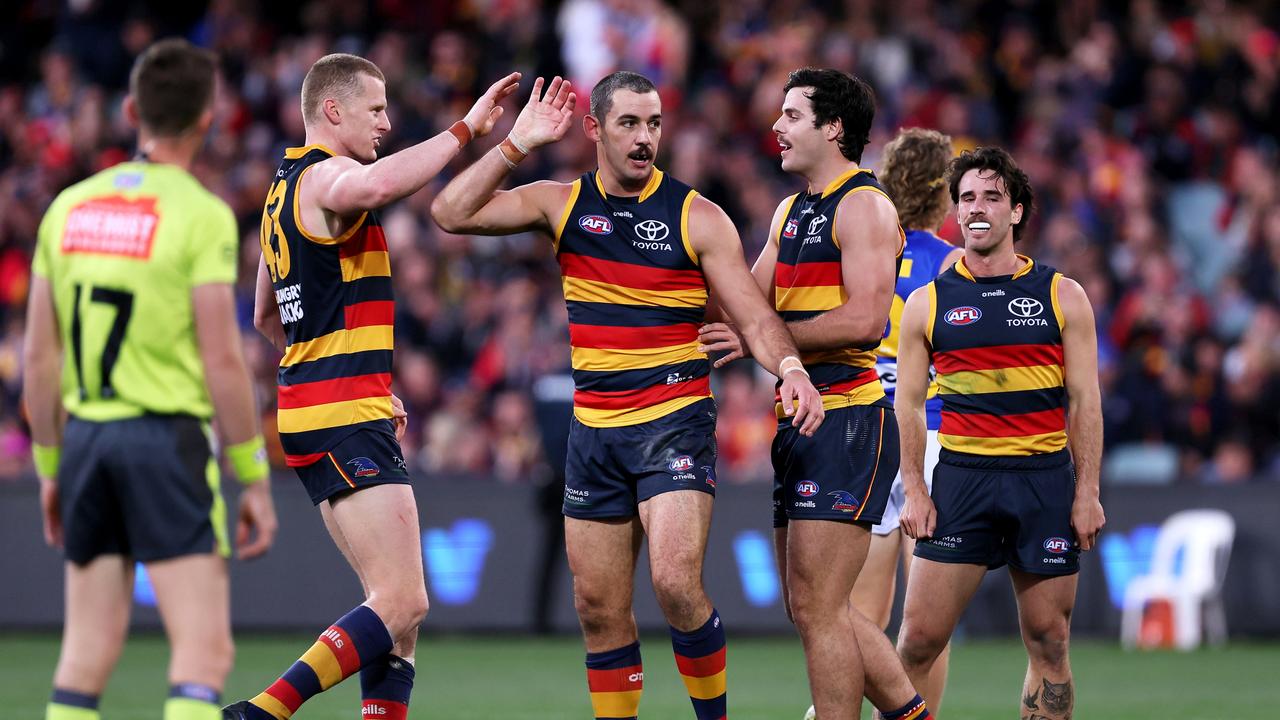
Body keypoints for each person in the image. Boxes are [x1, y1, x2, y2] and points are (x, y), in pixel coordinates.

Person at [432, 70, 824, 720]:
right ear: (594, 129)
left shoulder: (698, 216)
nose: (645, 139)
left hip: (674, 422)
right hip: (594, 432)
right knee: (598, 608)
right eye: (629, 124)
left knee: (675, 582)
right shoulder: (560, 204)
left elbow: (753, 315)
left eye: (654, 124)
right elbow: (451, 212)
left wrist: (790, 367)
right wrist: (517, 143)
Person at [222, 54, 520, 720]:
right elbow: (372, 187)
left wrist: (345, 367)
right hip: (341, 416)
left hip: (315, 408)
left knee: (391, 612)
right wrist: (467, 130)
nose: (387, 122)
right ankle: (262, 712)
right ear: (334, 111)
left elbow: (268, 316)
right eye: (377, 109)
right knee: (406, 600)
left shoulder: (279, 191)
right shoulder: (329, 175)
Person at [23, 38, 277, 720]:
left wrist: (50, 465)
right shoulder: (200, 215)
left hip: (84, 443)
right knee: (201, 653)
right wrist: (252, 473)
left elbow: (39, 361)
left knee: (84, 655)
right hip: (166, 443)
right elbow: (224, 359)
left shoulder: (67, 208)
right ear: (209, 119)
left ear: (132, 109)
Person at [698, 68, 931, 720]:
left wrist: (765, 339)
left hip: (850, 413)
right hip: (801, 415)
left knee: (822, 607)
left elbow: (866, 319)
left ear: (834, 128)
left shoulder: (865, 205)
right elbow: (746, 303)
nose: (777, 126)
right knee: (808, 605)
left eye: (792, 115)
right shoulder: (790, 210)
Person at [894, 146, 1106, 720]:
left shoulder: (1063, 295)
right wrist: (915, 488)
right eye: (966, 198)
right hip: (962, 479)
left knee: (1049, 642)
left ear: (1016, 211)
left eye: (992, 196)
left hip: (1043, 481)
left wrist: (1086, 492)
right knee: (916, 641)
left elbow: (1086, 401)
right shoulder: (927, 303)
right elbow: (908, 406)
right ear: (953, 212)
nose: (977, 208)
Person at [849, 127, 964, 713]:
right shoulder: (956, 268)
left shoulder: (868, 253)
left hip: (869, 429)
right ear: (944, 195)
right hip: (934, 437)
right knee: (927, 623)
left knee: (861, 612)